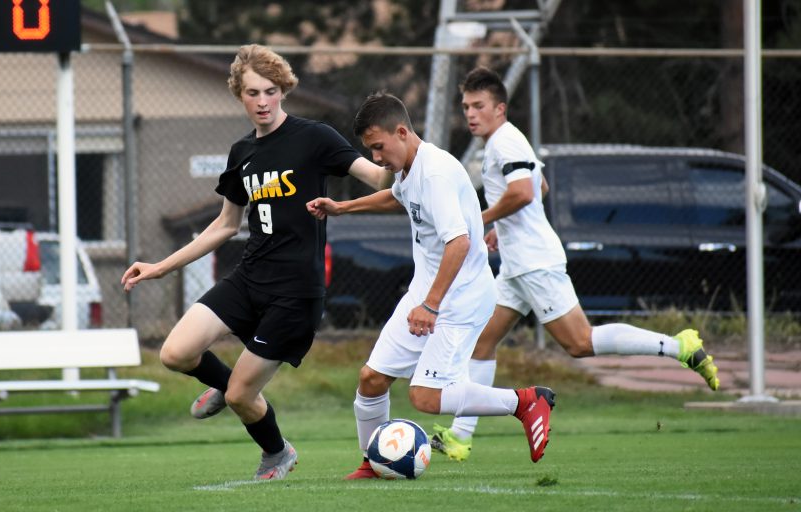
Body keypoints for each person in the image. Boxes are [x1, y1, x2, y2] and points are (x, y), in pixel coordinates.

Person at [121, 44, 392, 481]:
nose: (262, 101)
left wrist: (401, 154)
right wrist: (159, 267)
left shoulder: (314, 137)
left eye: (270, 91)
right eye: (252, 93)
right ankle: (224, 386)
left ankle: (276, 453)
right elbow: (225, 225)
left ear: (283, 90)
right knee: (175, 352)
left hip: (295, 291)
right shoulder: (241, 152)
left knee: (243, 397)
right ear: (239, 95)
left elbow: (378, 176)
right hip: (250, 277)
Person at [429, 66, 720, 464]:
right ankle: (460, 437)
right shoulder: (507, 142)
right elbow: (540, 187)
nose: (471, 114)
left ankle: (678, 346)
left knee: (579, 343)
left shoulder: (504, 142)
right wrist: (503, 226)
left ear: (500, 108)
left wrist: (483, 220)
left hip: (534, 263)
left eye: (479, 106)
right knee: (482, 340)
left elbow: (523, 192)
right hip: (517, 264)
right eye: (465, 106)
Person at [305, 92, 556, 479]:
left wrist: (432, 305)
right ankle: (374, 463)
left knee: (425, 397)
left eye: (378, 147)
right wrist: (343, 208)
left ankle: (524, 401)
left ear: (401, 132)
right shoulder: (410, 170)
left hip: (461, 299)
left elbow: (460, 242)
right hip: (427, 295)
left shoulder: (436, 172)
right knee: (372, 380)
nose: (375, 158)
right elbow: (398, 198)